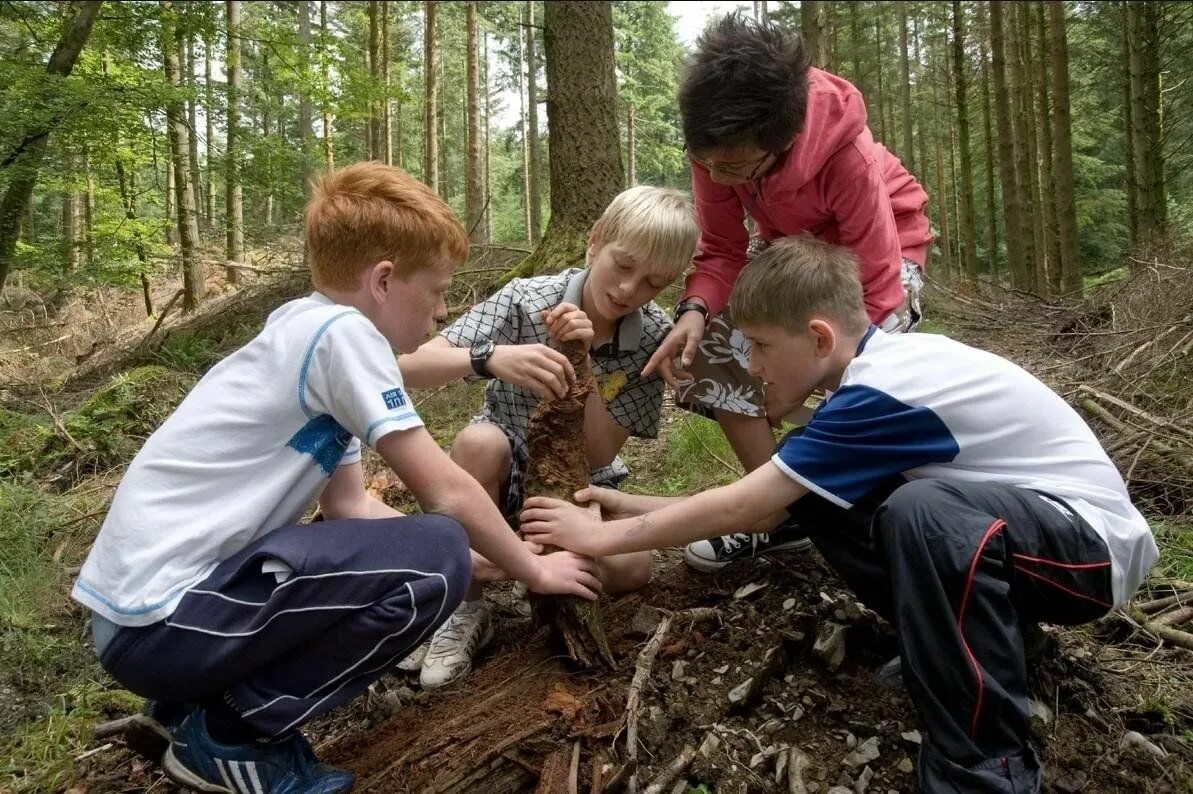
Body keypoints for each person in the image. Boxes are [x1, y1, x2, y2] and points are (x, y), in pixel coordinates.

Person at [522, 237, 1159, 793]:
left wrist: (600, 536)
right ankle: (972, 646)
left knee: (923, 512)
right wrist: (627, 504)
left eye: (763, 347)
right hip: (1024, 538)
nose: (751, 366)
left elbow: (748, 503)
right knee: (821, 493)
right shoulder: (867, 385)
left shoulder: (884, 388)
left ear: (820, 337)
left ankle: (984, 768)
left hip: (1088, 551)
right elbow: (775, 508)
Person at [70, 162, 603, 793]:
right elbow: (448, 490)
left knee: (439, 550)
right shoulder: (344, 336)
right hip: (164, 624)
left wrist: (481, 556)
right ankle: (232, 735)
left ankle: (193, 713)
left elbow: (351, 507)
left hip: (145, 626)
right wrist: (531, 567)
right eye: (436, 292)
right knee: (435, 554)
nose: (440, 313)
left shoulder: (308, 329)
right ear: (382, 280)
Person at [642, 12, 934, 573]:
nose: (716, 176)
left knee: (858, 376)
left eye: (733, 168)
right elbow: (723, 250)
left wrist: (822, 375)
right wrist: (695, 308)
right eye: (705, 162)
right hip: (789, 245)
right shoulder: (718, 150)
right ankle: (776, 508)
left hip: (880, 255)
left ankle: (878, 517)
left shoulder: (844, 153)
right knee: (716, 344)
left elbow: (873, 281)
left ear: (781, 142)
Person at [396, 185, 700, 689]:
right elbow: (410, 365)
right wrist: (489, 357)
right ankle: (466, 606)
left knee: (632, 567)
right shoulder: (525, 300)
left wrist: (582, 361)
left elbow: (600, 451)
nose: (628, 290)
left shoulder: (652, 336)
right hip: (502, 466)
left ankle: (540, 577)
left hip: (582, 482)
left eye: (653, 282)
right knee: (478, 444)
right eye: (622, 265)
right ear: (595, 242)